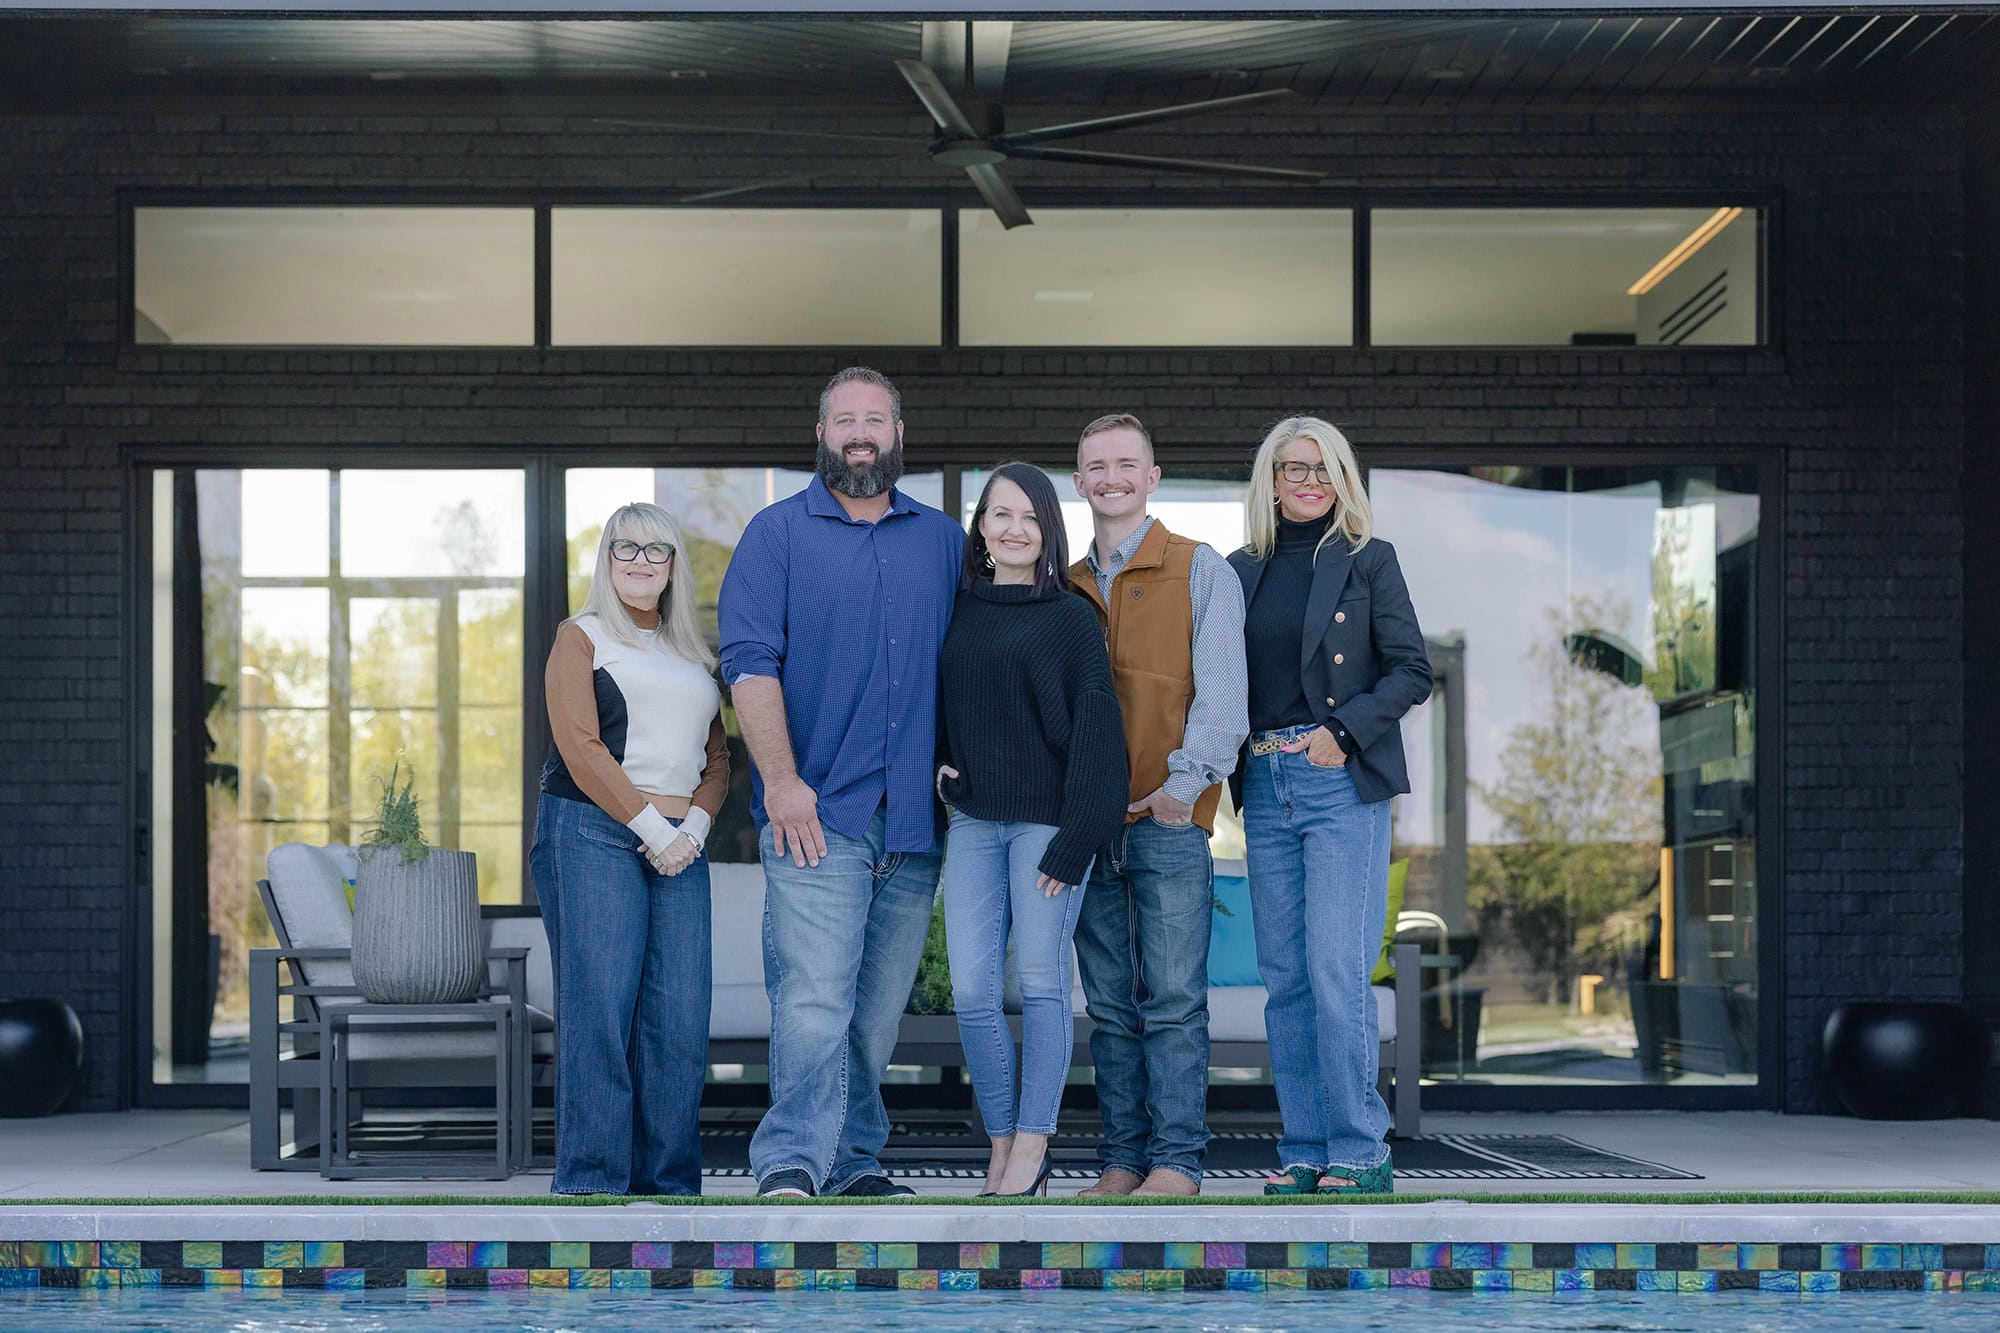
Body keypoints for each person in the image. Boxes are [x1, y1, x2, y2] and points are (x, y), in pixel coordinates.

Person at [718, 366, 965, 1199]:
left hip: (915, 825)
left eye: (876, 419)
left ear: (899, 433)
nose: (861, 432)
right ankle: (790, 1158)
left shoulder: (943, 540)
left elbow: (971, 665)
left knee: (873, 1016)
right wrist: (781, 782)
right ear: (820, 434)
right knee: (815, 1000)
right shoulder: (775, 534)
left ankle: (853, 1160)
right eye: (845, 419)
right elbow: (749, 665)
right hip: (816, 814)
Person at [1226, 416, 1432, 1197]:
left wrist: (1342, 734)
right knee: (1285, 978)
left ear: (1341, 478)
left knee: (1335, 970)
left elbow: (1412, 669)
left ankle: (1360, 1147)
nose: (1307, 481)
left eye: (1321, 469)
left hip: (1336, 779)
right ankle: (1307, 1146)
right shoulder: (1239, 570)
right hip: (1266, 784)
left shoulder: (1369, 561)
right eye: (1291, 469)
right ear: (1269, 481)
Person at [1066, 413, 1249, 1198]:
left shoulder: (1200, 568)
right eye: (1096, 465)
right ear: (1079, 482)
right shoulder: (1064, 584)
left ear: (1152, 476)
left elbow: (1223, 697)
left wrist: (1183, 790)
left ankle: (1177, 1162)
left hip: (1168, 822)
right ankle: (1121, 1159)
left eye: (1126, 463)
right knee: (1108, 1005)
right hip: (1088, 826)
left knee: (1172, 1000)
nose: (1112, 476)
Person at [935, 463, 1128, 1197]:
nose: (1014, 528)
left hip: (1049, 826)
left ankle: (1033, 1142)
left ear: (1048, 528)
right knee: (974, 989)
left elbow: (1098, 734)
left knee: (1044, 984)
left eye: (1030, 516)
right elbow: (942, 703)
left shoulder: (1071, 616)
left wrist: (1080, 834)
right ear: (981, 525)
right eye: (1000, 514)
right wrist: (939, 763)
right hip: (976, 823)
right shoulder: (957, 610)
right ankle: (1003, 1135)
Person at [529, 501, 730, 1197]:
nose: (641, 561)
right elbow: (579, 748)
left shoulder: (693, 655)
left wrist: (692, 833)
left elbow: (718, 762)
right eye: (627, 548)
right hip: (591, 831)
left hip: (681, 843)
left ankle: (669, 1186)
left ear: (674, 566)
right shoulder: (579, 637)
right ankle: (591, 1182)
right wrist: (654, 831)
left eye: (657, 550)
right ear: (606, 560)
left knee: (678, 1021)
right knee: (601, 1010)